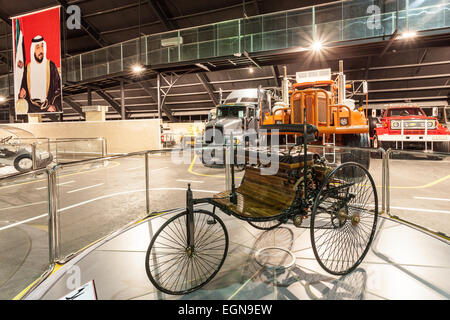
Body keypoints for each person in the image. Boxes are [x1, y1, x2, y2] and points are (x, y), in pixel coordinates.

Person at [18, 35, 61, 113]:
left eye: (42, 47)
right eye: (38, 48)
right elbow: (23, 90)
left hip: (48, 106)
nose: (41, 51)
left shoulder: (50, 66)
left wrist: (52, 104)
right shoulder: (28, 68)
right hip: (31, 107)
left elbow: (58, 88)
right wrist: (21, 95)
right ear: (33, 50)